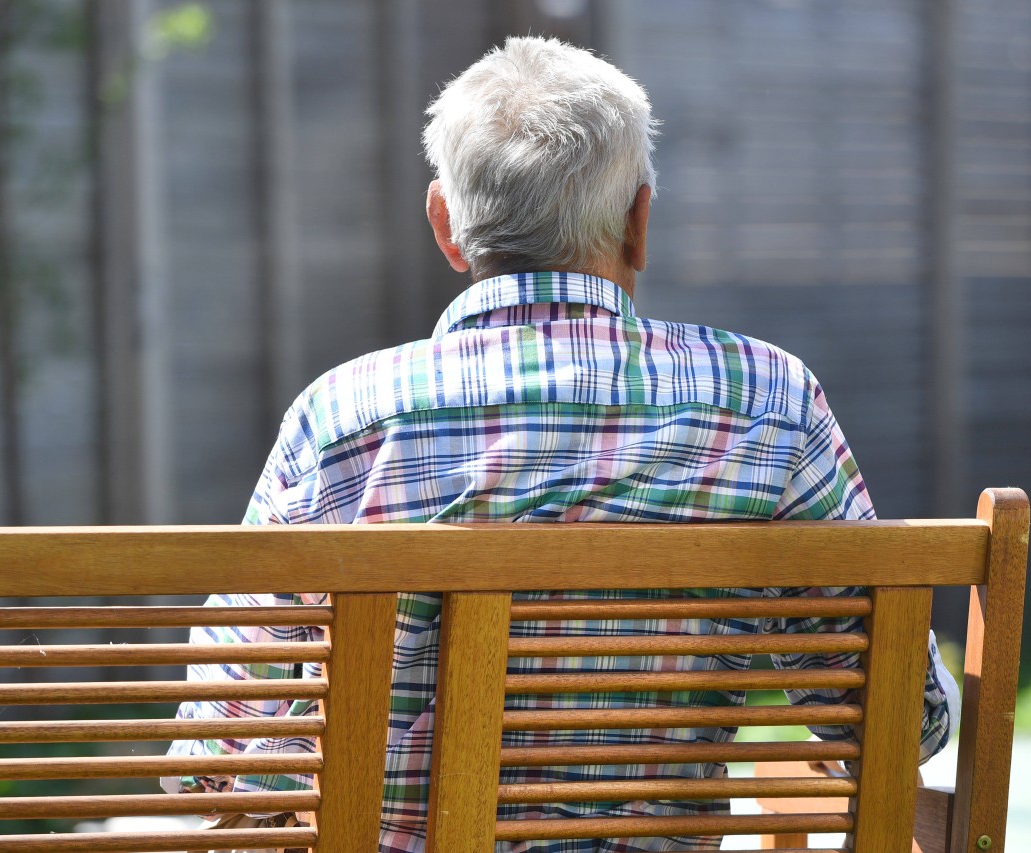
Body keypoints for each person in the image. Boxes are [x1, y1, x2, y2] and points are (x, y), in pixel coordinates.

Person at [165, 35, 959, 853]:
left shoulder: (338, 419)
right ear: (640, 222)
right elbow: (905, 727)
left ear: (446, 224)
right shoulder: (769, 403)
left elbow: (211, 762)